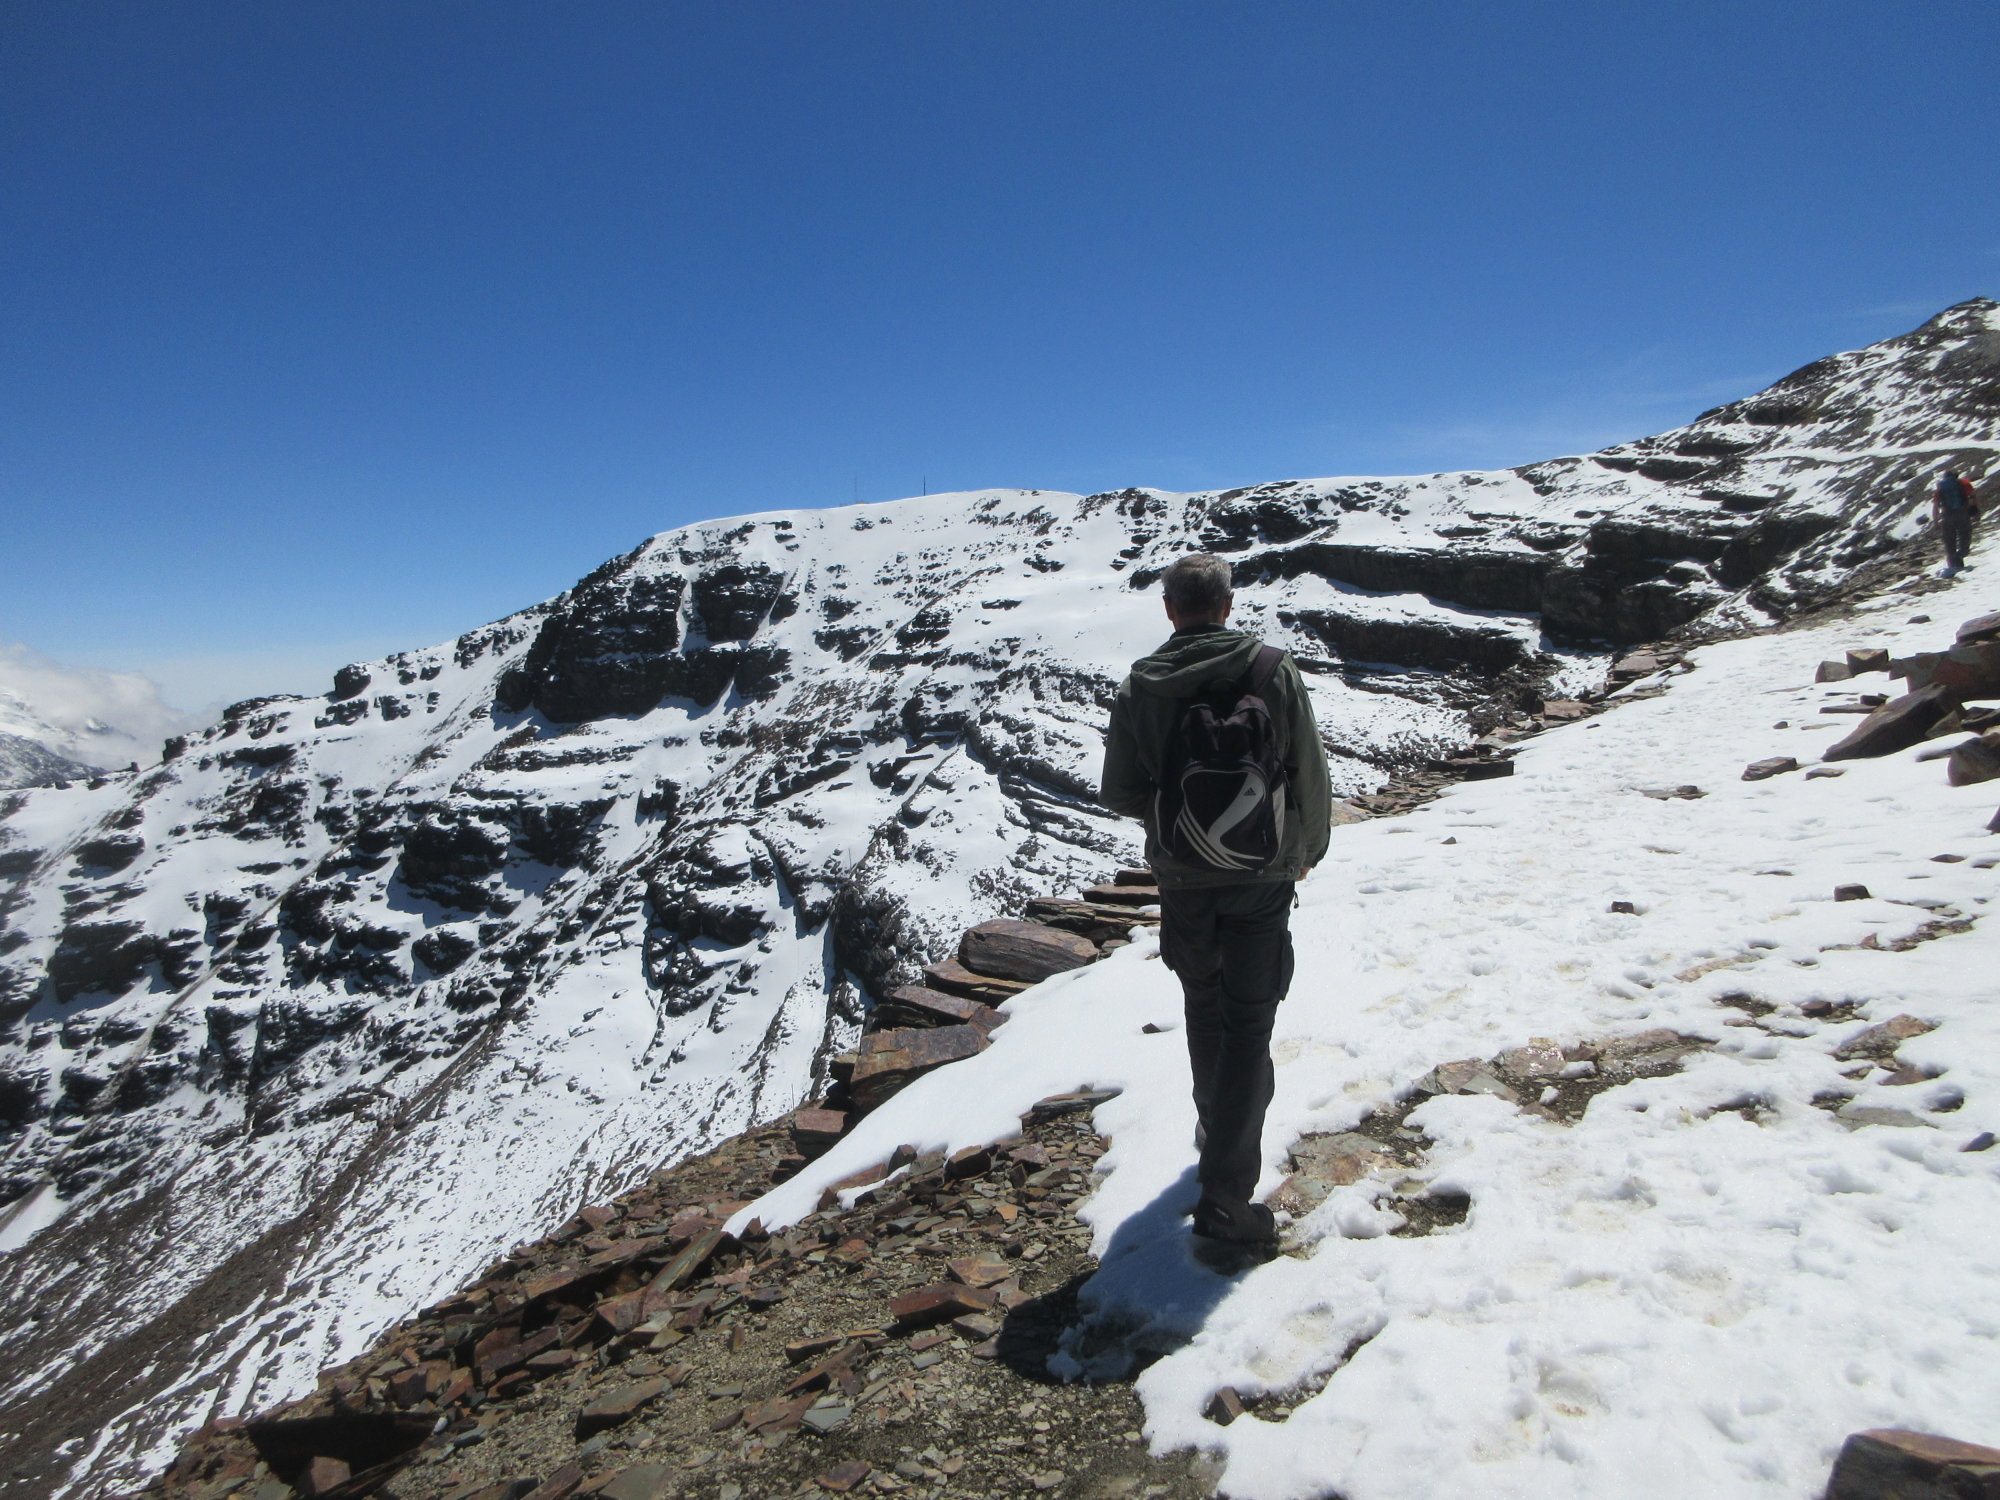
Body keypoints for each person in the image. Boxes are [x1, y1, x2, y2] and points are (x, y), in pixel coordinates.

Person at [1098, 553, 1333, 1261]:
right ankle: (1227, 1198)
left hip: (1184, 880)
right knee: (1249, 1022)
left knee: (1205, 1005)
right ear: (1227, 606)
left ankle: (1216, 1128)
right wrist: (1305, 849)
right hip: (1263, 875)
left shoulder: (1143, 682)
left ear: (1170, 609)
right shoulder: (1272, 670)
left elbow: (1119, 790)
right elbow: (1309, 769)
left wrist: (1177, 817)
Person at [1933, 468, 1979, 574]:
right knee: (1965, 536)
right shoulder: (1963, 483)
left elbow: (1935, 505)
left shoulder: (1941, 487)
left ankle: (1953, 566)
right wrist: (1977, 510)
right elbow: (1973, 496)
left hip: (1946, 516)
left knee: (1949, 541)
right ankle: (1961, 555)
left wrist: (1936, 521)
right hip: (1962, 513)